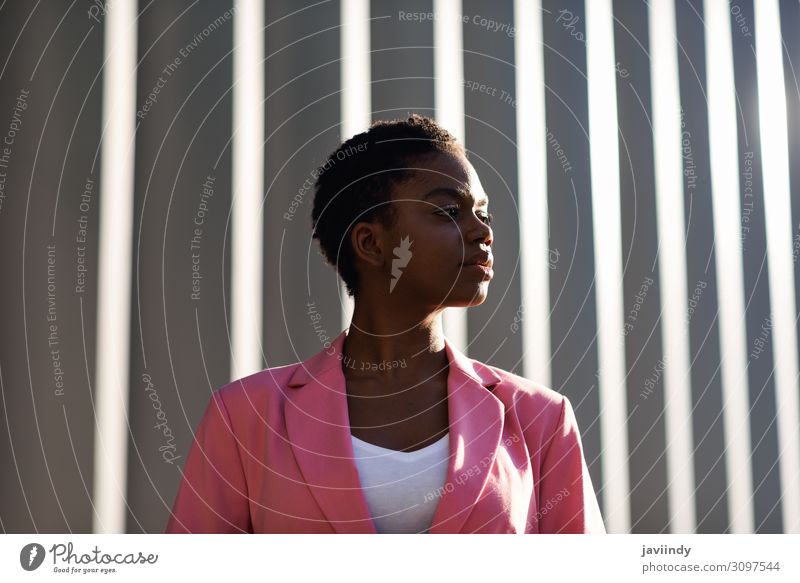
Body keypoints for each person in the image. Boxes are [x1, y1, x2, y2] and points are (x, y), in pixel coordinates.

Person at [165, 114, 606, 534]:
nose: (482, 231)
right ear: (371, 243)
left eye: (483, 213)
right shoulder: (246, 415)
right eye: (448, 211)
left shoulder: (540, 419)